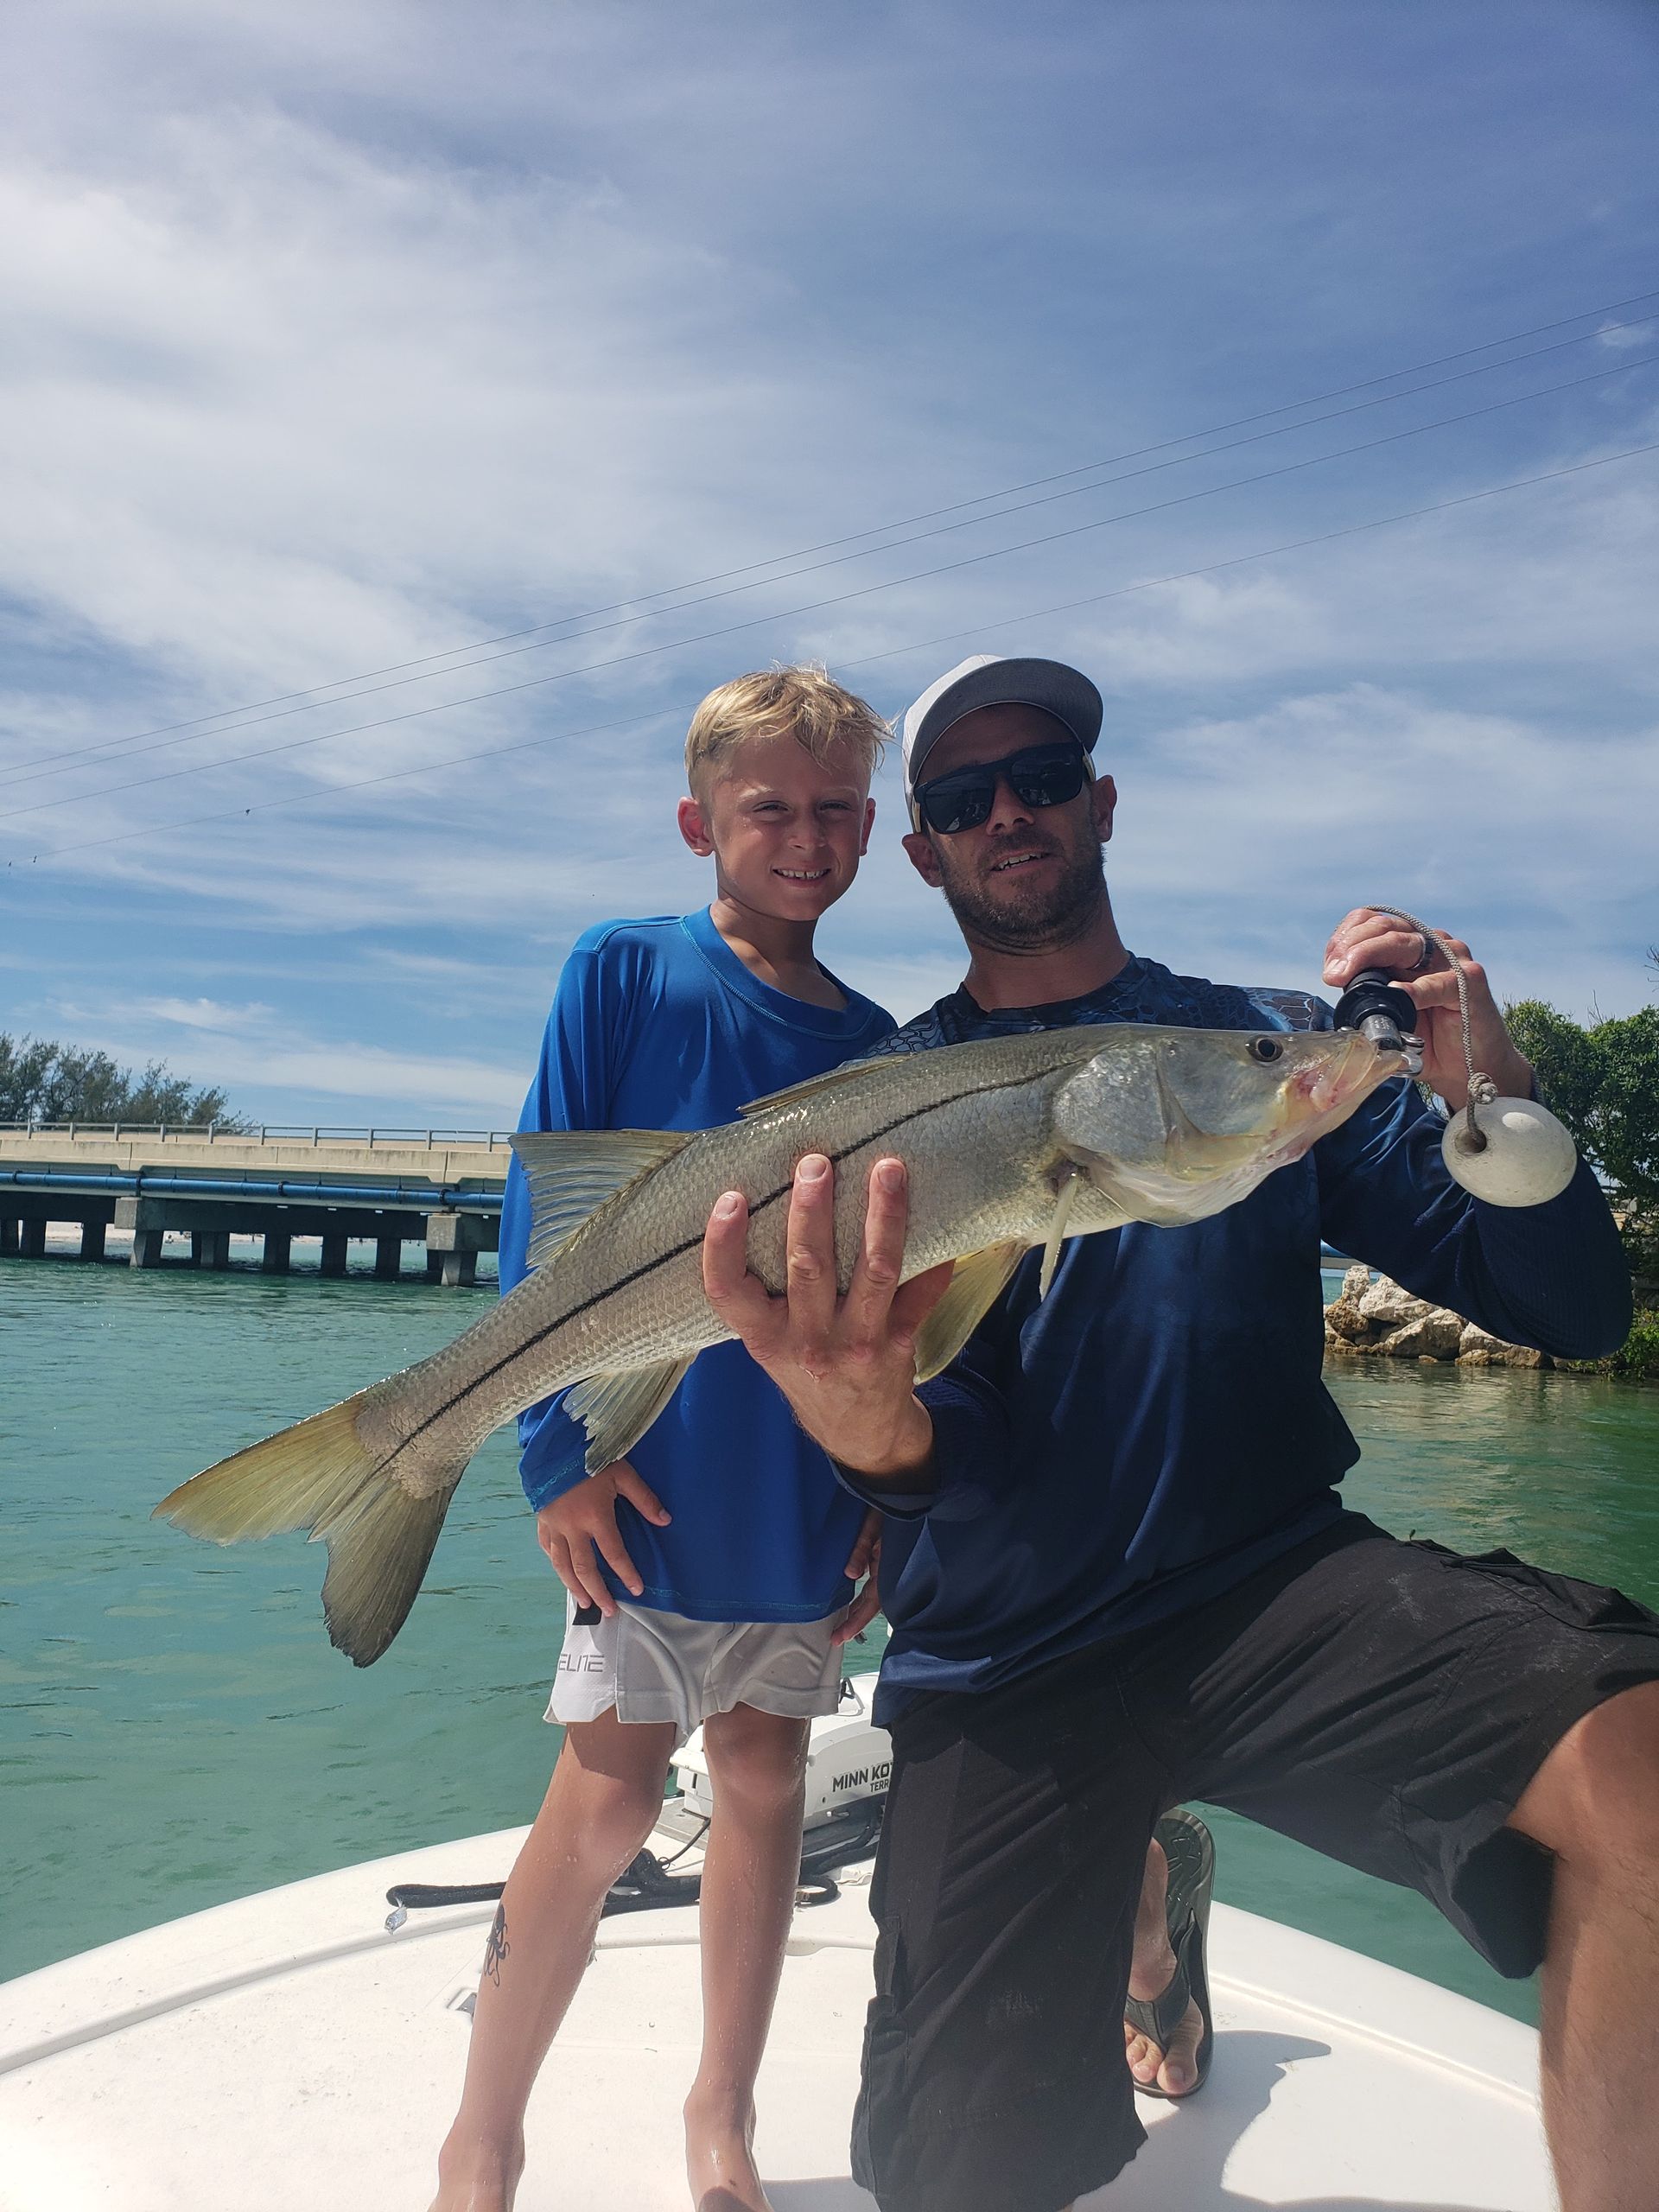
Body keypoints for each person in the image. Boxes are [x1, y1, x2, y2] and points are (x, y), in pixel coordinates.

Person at [700, 653, 1655, 2212]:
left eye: (1045, 776)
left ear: (1104, 802)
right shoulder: (885, 1109)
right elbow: (953, 1447)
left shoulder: (1270, 1053)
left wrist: (1504, 1111)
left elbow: (1567, 1308)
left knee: (1645, 1764)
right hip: (1005, 1650)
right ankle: (1155, 1910)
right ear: (924, 848)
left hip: (1276, 1588)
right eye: (960, 797)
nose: (1010, 811)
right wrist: (875, 1441)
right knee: (956, 2175)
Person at [429, 666, 896, 2212]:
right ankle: (483, 2132)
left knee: (764, 1779)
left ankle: (726, 2115)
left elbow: (903, 1296)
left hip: (806, 1490)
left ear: (875, 830)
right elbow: (542, 1223)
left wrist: (889, 1484)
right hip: (638, 1478)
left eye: (837, 809)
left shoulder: (888, 1047)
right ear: (701, 822)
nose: (806, 835)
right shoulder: (622, 969)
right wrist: (550, 1456)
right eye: (771, 806)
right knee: (611, 1796)